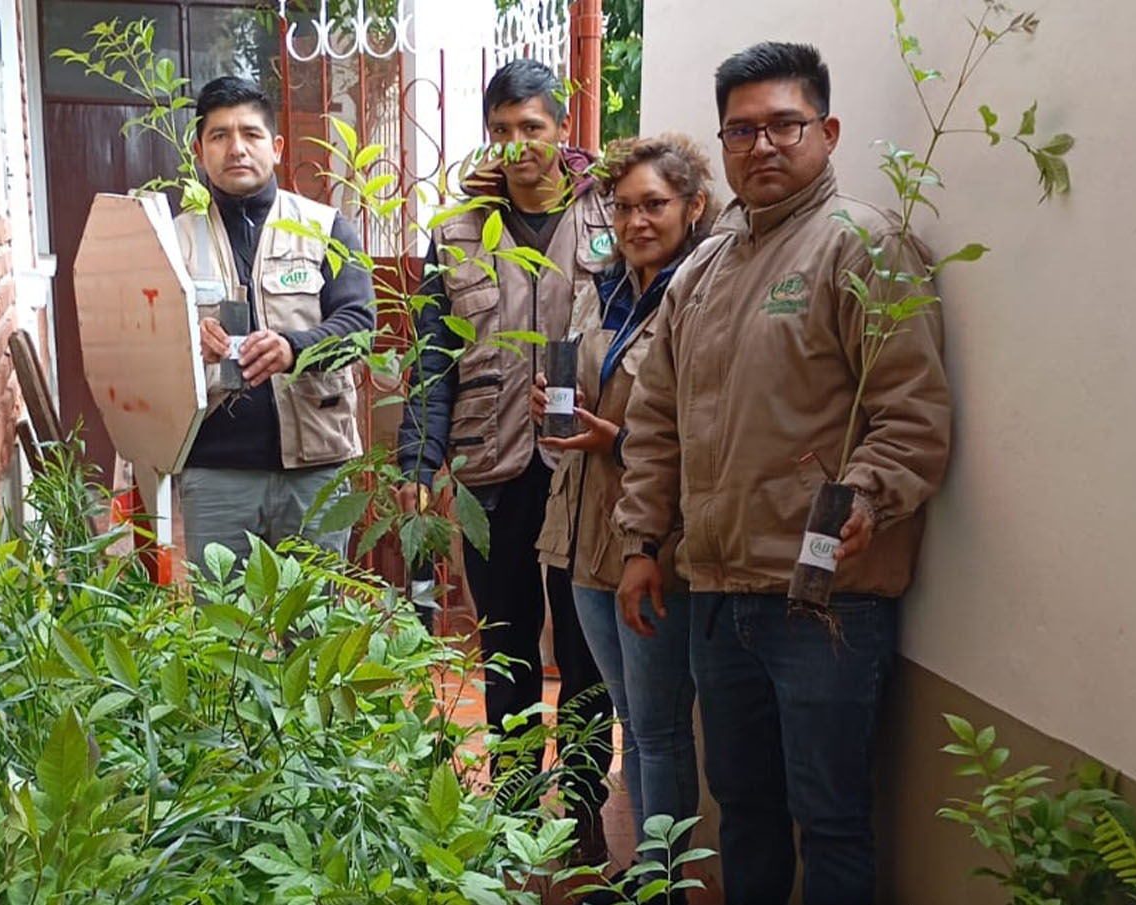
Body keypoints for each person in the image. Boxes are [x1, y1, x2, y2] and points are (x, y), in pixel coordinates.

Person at [613, 42, 951, 905]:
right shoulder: (704, 269)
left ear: (827, 131)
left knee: (831, 817)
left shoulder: (863, 247)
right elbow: (655, 421)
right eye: (742, 130)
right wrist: (643, 541)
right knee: (744, 805)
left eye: (784, 126)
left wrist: (868, 493)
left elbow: (911, 417)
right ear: (722, 144)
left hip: (824, 603)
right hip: (717, 596)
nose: (762, 146)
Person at [395, 59, 615, 862]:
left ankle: (586, 795)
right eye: (503, 130)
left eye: (533, 127)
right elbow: (430, 355)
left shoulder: (612, 212)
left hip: (587, 468)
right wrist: (419, 456)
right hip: (492, 465)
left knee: (586, 644)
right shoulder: (456, 230)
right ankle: (519, 796)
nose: (519, 145)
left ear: (562, 129)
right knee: (508, 640)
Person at [530, 134, 713, 873]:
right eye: (626, 206)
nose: (638, 221)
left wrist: (619, 435)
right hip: (581, 535)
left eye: (656, 205)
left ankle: (663, 881)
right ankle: (643, 874)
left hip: (652, 543)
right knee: (631, 721)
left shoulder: (699, 295)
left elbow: (703, 424)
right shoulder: (603, 286)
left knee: (662, 727)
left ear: (693, 207)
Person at [172, 76, 375, 573]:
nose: (236, 148)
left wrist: (294, 348)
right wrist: (183, 340)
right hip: (213, 470)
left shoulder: (325, 228)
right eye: (219, 136)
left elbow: (358, 324)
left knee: (315, 631)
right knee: (224, 636)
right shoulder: (172, 239)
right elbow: (137, 336)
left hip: (314, 468)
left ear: (277, 147)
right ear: (199, 150)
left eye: (250, 134)